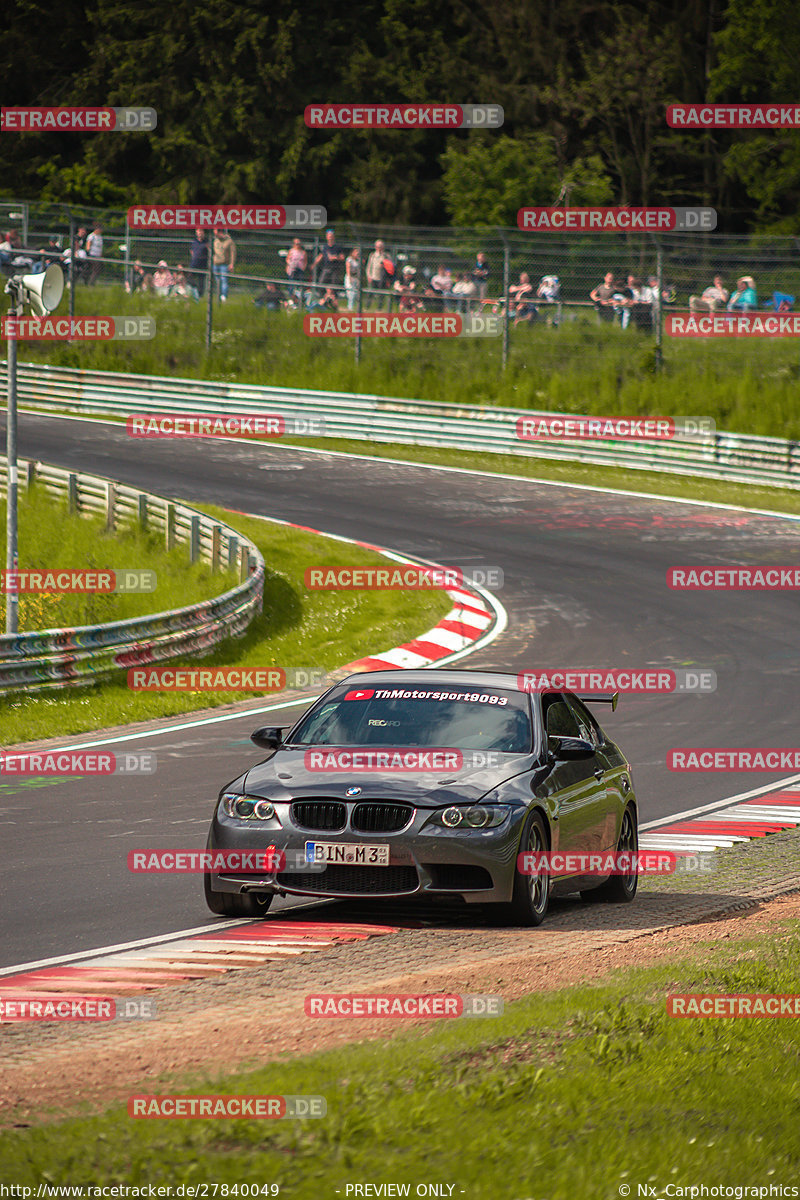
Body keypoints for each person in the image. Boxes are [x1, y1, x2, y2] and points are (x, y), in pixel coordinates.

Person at [213, 228, 235, 302]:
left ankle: (224, 296)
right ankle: (219, 296)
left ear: (220, 232)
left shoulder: (229, 241)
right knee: (217, 281)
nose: (215, 234)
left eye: (216, 232)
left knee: (224, 280)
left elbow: (233, 253)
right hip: (215, 264)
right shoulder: (215, 240)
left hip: (224, 264)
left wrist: (231, 264)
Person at [365, 239, 389, 308]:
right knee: (370, 292)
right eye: (378, 246)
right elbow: (369, 266)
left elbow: (390, 267)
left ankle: (379, 307)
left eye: (380, 246)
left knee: (381, 294)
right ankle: (367, 306)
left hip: (382, 277)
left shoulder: (386, 256)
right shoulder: (372, 255)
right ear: (375, 247)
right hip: (373, 276)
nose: (379, 248)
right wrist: (368, 276)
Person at [285, 237, 307, 301]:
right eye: (296, 243)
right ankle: (291, 297)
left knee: (300, 283)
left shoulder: (303, 252)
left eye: (299, 243)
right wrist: (290, 265)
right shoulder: (291, 251)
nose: (298, 245)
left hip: (300, 269)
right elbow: (287, 259)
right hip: (292, 269)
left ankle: (300, 298)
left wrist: (303, 268)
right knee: (291, 283)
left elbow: (305, 261)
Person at [189, 229, 209, 298]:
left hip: (202, 264)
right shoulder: (194, 241)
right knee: (190, 279)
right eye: (198, 232)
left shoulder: (206, 242)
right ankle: (194, 291)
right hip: (194, 264)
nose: (200, 233)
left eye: (201, 232)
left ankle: (200, 296)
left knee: (201, 282)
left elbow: (210, 252)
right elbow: (191, 250)